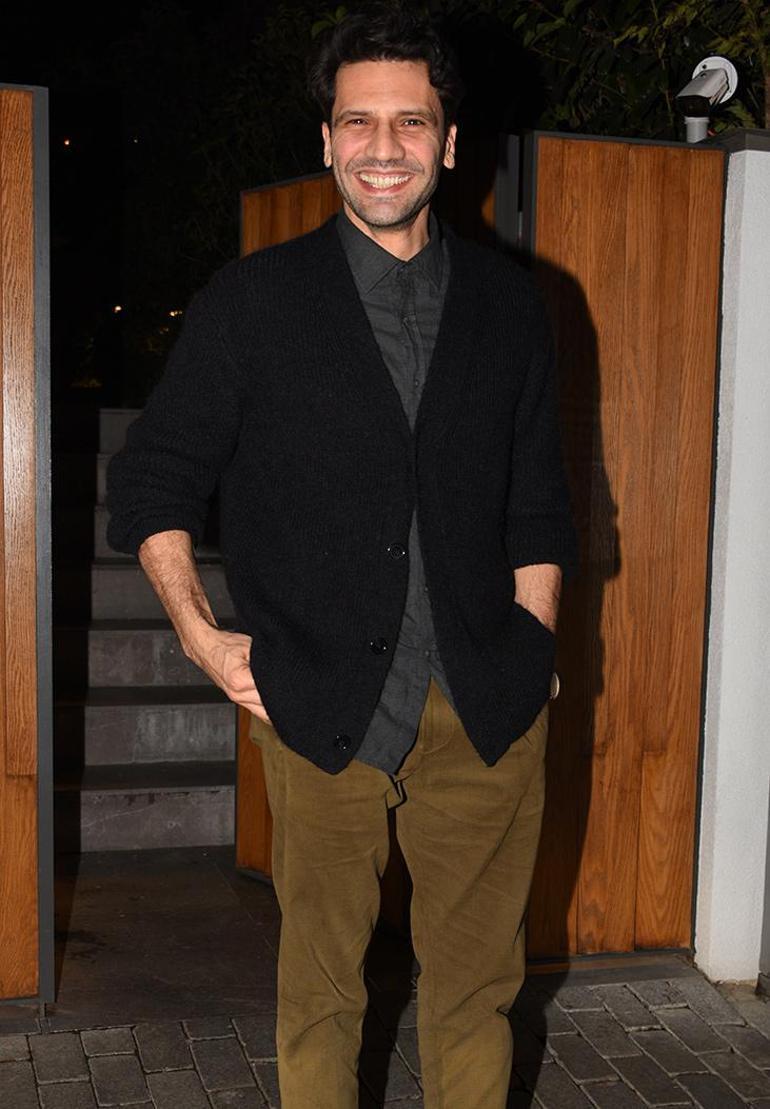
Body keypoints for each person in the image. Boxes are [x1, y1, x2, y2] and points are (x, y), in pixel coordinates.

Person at [105, 6, 577, 1106]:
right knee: (321, 994)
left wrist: (534, 640)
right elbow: (154, 479)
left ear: (450, 142)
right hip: (318, 703)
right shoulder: (253, 303)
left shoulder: (511, 306)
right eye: (357, 121)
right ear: (325, 140)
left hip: (486, 701)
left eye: (410, 122)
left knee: (477, 993)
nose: (382, 146)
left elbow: (539, 504)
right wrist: (203, 637)